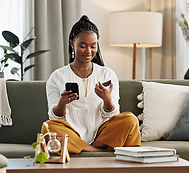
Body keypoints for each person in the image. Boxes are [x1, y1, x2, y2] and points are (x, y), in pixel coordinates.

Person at [42, 15, 141, 153]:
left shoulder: (108, 74)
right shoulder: (57, 76)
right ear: (72, 44)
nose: (88, 51)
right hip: (71, 133)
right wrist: (62, 103)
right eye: (82, 46)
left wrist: (107, 99)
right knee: (49, 126)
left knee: (130, 119)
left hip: (102, 134)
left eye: (93, 46)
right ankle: (97, 151)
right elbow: (55, 118)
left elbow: (112, 115)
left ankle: (85, 148)